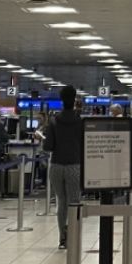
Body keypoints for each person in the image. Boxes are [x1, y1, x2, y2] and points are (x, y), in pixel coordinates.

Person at [42, 86, 84, 249]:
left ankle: (62, 237)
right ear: (74, 100)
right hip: (74, 164)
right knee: (74, 202)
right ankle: (73, 234)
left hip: (57, 166)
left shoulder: (53, 121)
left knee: (62, 202)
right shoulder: (80, 122)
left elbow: (48, 146)